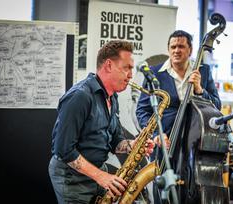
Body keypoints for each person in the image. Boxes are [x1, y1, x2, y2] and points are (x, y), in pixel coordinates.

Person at [48, 40, 155, 204]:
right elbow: (63, 149)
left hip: (96, 171)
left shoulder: (112, 96)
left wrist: (132, 145)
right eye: (126, 67)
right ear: (109, 65)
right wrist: (102, 177)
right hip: (71, 178)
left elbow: (115, 140)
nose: (131, 75)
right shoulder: (80, 96)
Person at [136, 30, 221, 203]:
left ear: (190, 50)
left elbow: (216, 106)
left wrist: (199, 90)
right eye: (173, 47)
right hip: (165, 143)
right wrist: (155, 134)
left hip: (195, 144)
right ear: (168, 49)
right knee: (162, 192)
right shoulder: (155, 73)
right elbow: (142, 111)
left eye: (181, 46)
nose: (176, 50)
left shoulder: (203, 72)